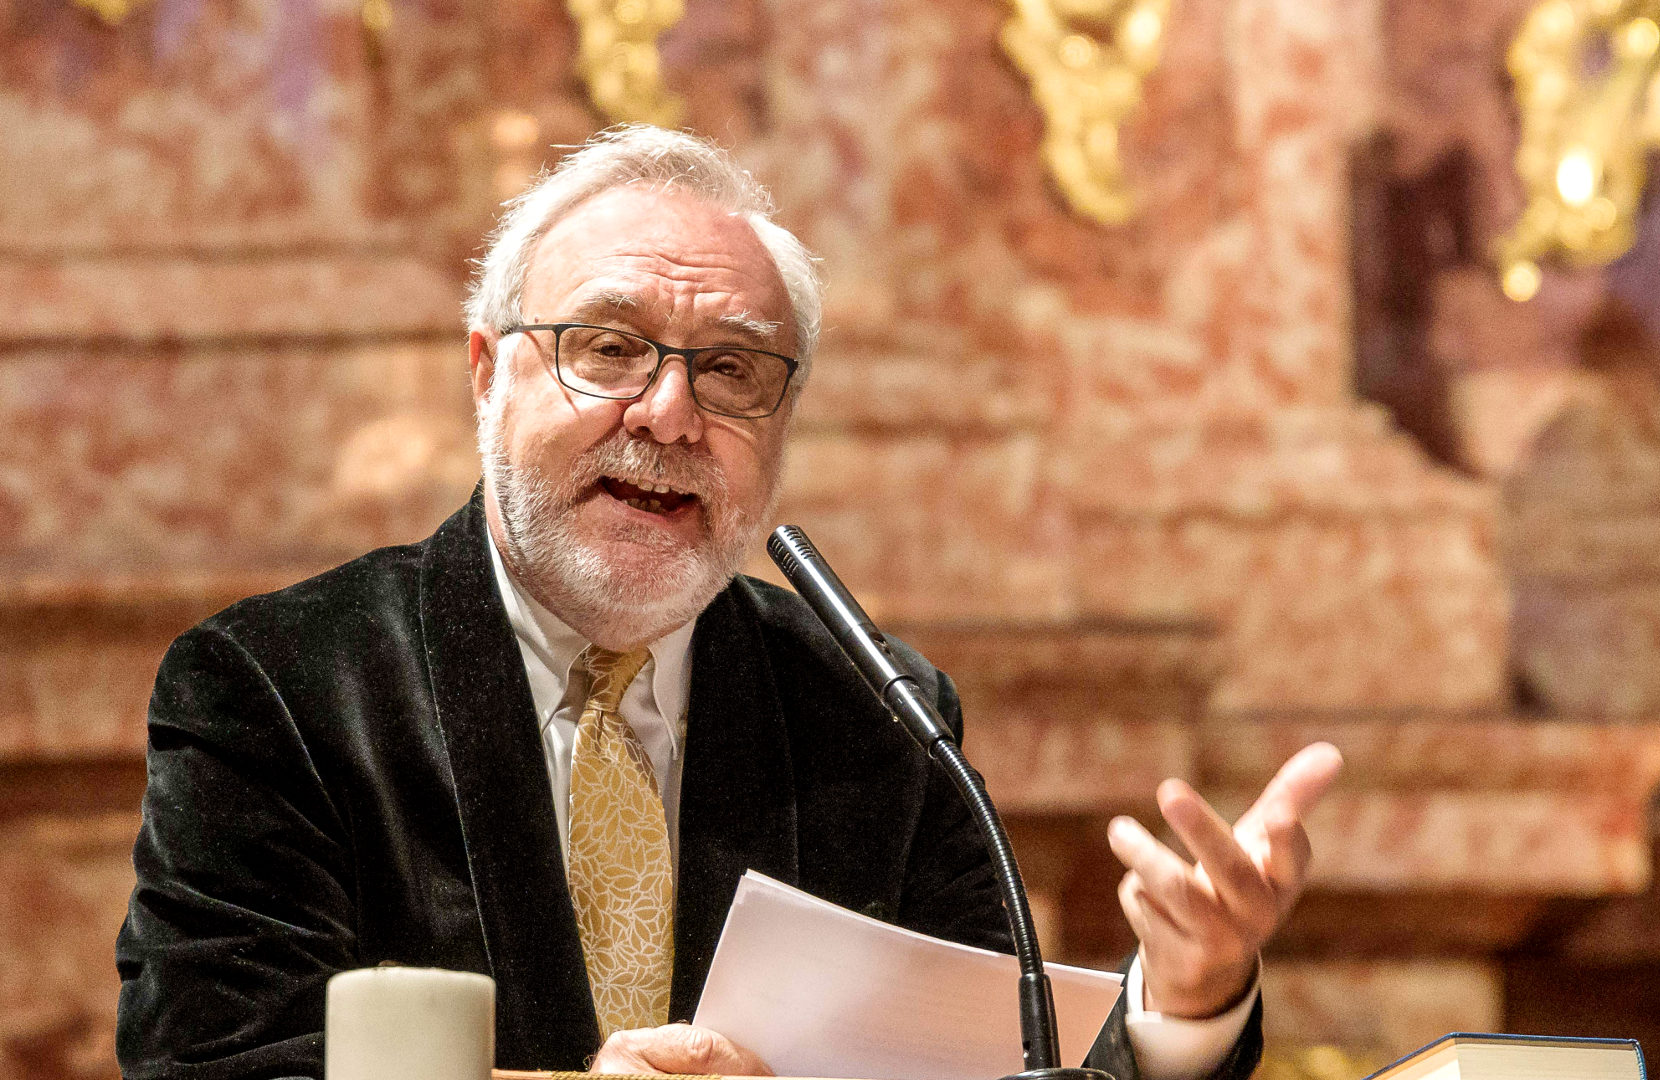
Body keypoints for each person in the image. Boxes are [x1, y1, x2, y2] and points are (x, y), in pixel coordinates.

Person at [115, 125, 1344, 1080]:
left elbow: (1000, 1068)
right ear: (488, 374)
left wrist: (1182, 1003)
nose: (667, 414)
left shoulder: (876, 712)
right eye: (608, 348)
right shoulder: (279, 687)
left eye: (734, 372)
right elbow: (210, 1065)